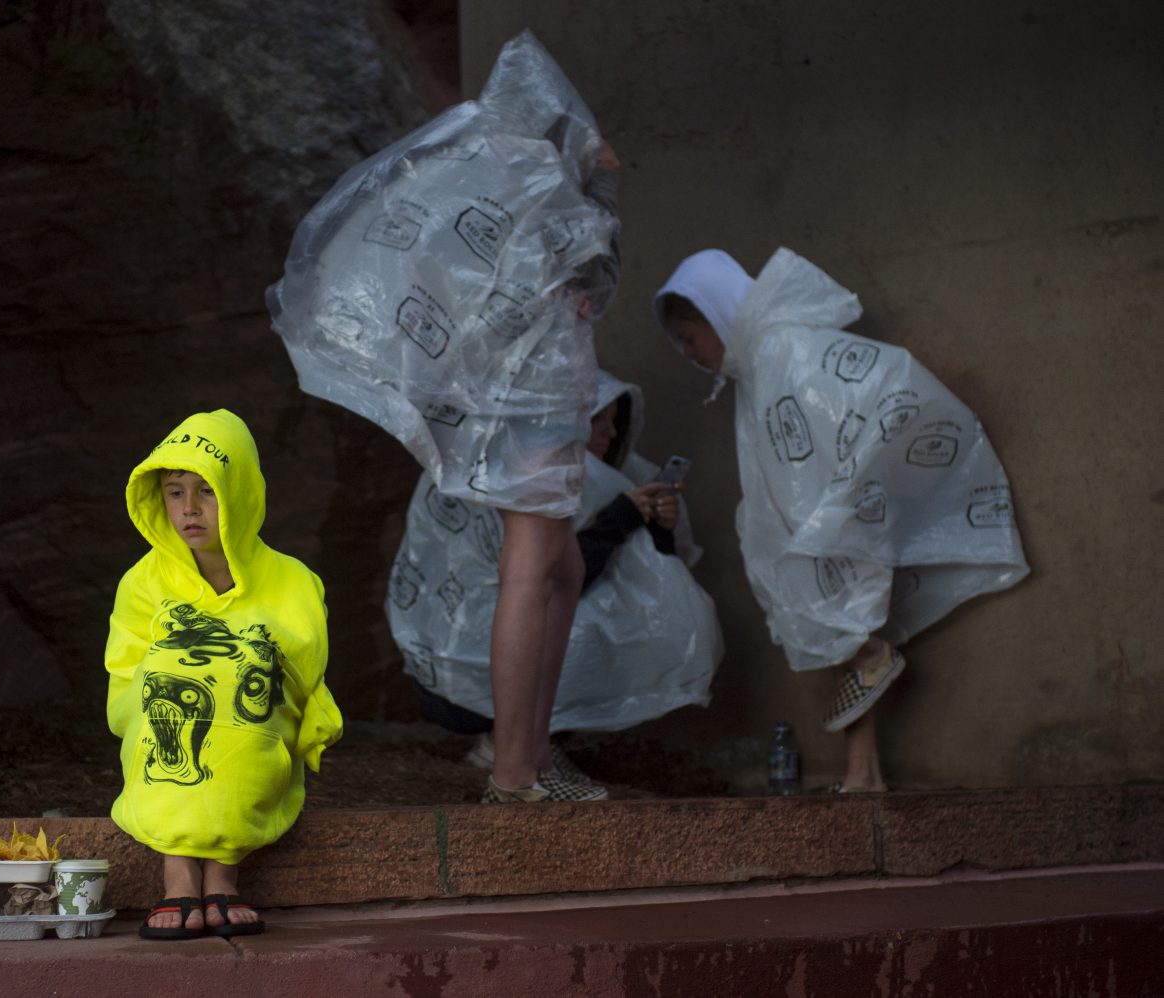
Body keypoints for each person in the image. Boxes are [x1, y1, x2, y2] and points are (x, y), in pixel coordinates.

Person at [268, 33, 621, 804]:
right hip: (524, 401)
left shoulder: (482, 171)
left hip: (532, 397)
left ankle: (526, 753)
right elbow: (588, 262)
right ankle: (515, 770)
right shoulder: (523, 175)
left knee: (554, 569)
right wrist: (593, 191)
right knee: (534, 570)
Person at [654, 248, 1028, 791]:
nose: (689, 353)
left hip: (836, 512)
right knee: (839, 635)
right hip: (825, 517)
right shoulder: (757, 362)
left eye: (691, 336)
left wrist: (830, 509)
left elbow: (833, 423)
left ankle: (873, 671)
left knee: (849, 635)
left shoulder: (781, 347)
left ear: (717, 313)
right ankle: (864, 774)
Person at [388, 370, 723, 787]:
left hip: (478, 660)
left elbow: (650, 590)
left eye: (614, 421)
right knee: (567, 625)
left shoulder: (602, 478)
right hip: (459, 676)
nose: (610, 432)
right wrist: (619, 519)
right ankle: (510, 750)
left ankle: (532, 746)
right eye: (597, 420)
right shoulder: (515, 477)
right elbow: (548, 581)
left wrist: (655, 528)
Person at [104, 409, 342, 939]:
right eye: (173, 492)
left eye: (206, 491)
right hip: (164, 723)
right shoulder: (141, 581)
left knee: (243, 673)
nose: (189, 509)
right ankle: (180, 871)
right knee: (169, 675)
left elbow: (305, 674)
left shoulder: (293, 580)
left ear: (239, 492)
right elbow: (125, 672)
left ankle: (223, 867)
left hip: (252, 723)